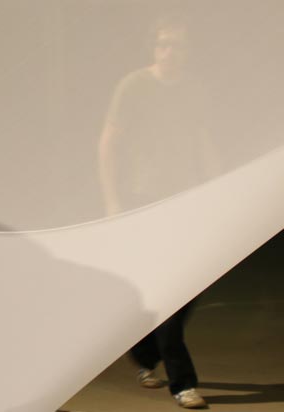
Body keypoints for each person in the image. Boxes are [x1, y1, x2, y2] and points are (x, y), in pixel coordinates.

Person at [98, 14, 218, 409]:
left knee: (191, 285)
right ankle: (183, 383)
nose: (169, 51)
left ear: (188, 50)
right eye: (162, 44)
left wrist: (217, 189)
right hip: (144, 200)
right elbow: (109, 142)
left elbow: (204, 139)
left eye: (177, 45)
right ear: (153, 48)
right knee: (169, 289)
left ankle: (144, 353)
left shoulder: (195, 88)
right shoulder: (134, 85)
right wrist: (112, 200)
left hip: (186, 199)